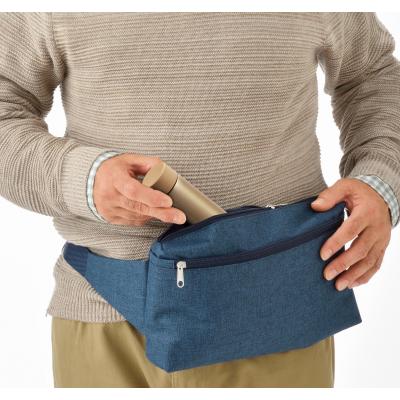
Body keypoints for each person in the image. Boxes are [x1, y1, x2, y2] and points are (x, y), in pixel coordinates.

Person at [0, 12, 399, 388]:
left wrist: (380, 182)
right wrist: (82, 179)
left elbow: (372, 74)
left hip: (278, 313)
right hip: (106, 319)